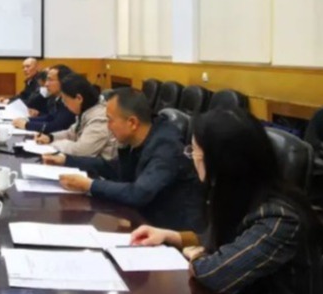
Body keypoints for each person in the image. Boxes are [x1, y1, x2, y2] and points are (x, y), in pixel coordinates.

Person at [129, 109, 323, 294]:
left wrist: (199, 256)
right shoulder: (238, 195)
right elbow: (223, 242)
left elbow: (215, 275)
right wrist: (170, 236)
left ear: (220, 160)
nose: (191, 157)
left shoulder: (280, 218)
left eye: (195, 150)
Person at [42, 87, 203, 231]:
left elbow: (139, 193)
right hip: (145, 221)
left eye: (110, 120)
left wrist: (89, 185)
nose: (107, 126)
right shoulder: (140, 137)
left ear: (132, 122)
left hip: (173, 233)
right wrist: (66, 160)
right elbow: (114, 168)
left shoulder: (166, 146)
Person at [33, 73, 115, 160]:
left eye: (65, 99)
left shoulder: (100, 118)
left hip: (98, 166)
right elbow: (71, 133)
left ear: (79, 98)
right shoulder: (86, 111)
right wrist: (50, 137)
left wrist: (53, 145)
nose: (64, 104)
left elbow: (81, 151)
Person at [13, 65, 76, 134]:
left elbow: (56, 127)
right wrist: (27, 119)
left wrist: (26, 125)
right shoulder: (58, 98)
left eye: (50, 80)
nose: (46, 84)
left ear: (63, 81)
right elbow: (50, 117)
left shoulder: (71, 100)